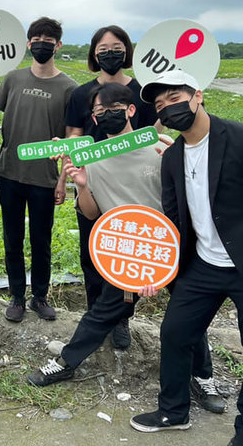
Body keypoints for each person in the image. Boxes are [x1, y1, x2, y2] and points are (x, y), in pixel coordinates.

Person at [27, 83, 225, 416]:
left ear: (131, 110)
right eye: (98, 113)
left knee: (188, 313)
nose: (105, 116)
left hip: (170, 246)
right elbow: (91, 214)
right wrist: (82, 184)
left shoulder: (160, 146)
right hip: (126, 249)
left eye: (112, 109)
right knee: (104, 309)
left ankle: (202, 376)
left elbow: (191, 200)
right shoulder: (91, 158)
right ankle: (66, 361)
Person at [130, 70, 243, 446]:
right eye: (159, 105)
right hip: (202, 265)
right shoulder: (172, 158)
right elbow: (171, 219)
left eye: (174, 98)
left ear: (197, 96)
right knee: (175, 332)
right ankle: (173, 410)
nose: (168, 108)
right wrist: (161, 268)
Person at [65, 25, 160, 349]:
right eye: (103, 48)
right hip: (95, 180)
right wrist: (71, 171)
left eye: (116, 47)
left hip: (134, 185)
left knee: (131, 255)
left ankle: (121, 318)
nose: (109, 53)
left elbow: (152, 132)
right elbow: (73, 135)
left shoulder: (142, 91)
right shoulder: (81, 93)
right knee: (94, 256)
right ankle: (98, 314)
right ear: (94, 53)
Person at [0, 17, 77, 322]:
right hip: (9, 172)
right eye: (36, 38)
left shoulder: (69, 88)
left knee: (42, 240)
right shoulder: (13, 79)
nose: (42, 44)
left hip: (45, 178)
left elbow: (71, 140)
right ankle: (16, 296)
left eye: (48, 40)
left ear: (58, 45)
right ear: (29, 43)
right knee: (12, 238)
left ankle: (40, 296)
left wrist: (63, 181)